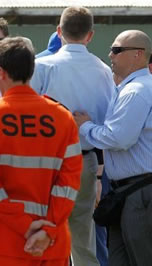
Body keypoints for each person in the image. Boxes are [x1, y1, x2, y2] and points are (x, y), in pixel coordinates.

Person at [0, 36, 82, 266]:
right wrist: (47, 229)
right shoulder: (62, 117)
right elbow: (69, 184)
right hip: (52, 242)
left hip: (5, 243)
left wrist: (24, 226)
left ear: (1, 73)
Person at [30, 7, 115, 266]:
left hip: (45, 163)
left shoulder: (40, 66)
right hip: (85, 161)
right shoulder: (103, 71)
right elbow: (106, 121)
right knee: (83, 238)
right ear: (90, 35)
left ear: (59, 32)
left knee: (42, 234)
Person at [74, 29, 152, 266]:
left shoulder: (137, 91)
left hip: (140, 191)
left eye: (117, 50)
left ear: (138, 54)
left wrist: (85, 127)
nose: (110, 55)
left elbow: (119, 138)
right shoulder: (129, 88)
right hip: (126, 191)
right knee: (120, 259)